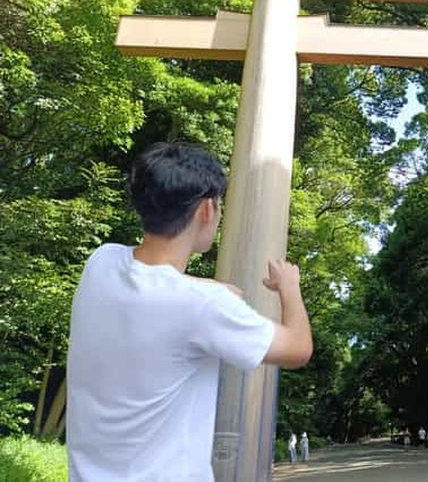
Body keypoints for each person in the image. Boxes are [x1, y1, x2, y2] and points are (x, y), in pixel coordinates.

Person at [66, 142, 314, 481]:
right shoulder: (201, 307)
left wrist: (208, 288)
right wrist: (290, 287)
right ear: (206, 210)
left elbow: (157, 282)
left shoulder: (101, 262)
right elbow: (298, 348)